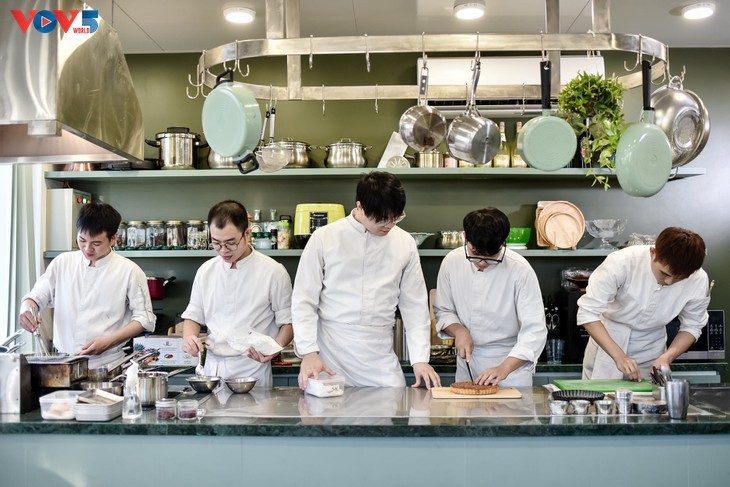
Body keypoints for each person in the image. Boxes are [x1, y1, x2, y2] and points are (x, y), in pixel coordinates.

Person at [292, 171, 440, 389]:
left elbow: (415, 305)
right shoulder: (325, 238)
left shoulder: (404, 242)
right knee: (329, 419)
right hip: (331, 353)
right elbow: (304, 299)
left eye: (395, 218)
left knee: (386, 414)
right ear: (360, 207)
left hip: (379, 354)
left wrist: (420, 359)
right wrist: (308, 353)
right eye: (381, 219)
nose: (389, 225)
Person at [18, 202, 155, 368]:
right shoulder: (62, 263)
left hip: (107, 364)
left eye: (96, 243)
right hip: (62, 364)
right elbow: (35, 297)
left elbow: (144, 319)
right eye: (82, 240)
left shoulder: (130, 271)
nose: (87, 249)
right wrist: (26, 310)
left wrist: (109, 342)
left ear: (113, 238)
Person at [181, 200, 292, 388]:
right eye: (216, 243)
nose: (223, 250)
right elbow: (193, 316)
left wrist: (274, 348)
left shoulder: (273, 271)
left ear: (247, 234)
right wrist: (189, 338)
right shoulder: (206, 271)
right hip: (212, 370)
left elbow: (288, 322)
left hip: (252, 368)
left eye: (231, 243)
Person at [578, 226, 711, 381]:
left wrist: (667, 357)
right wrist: (619, 356)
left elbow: (693, 325)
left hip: (653, 348)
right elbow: (587, 312)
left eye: (679, 279)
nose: (669, 282)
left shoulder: (699, 279)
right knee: (602, 403)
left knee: (649, 404)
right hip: (608, 344)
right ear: (652, 253)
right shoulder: (622, 262)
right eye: (664, 273)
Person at [434, 208, 547, 387]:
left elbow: (534, 331)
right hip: (467, 365)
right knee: (467, 415)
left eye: (490, 258)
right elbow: (444, 310)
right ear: (465, 237)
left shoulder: (520, 270)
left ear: (503, 244)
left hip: (510, 369)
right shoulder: (451, 262)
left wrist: (504, 368)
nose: (481, 263)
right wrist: (459, 331)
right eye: (474, 253)